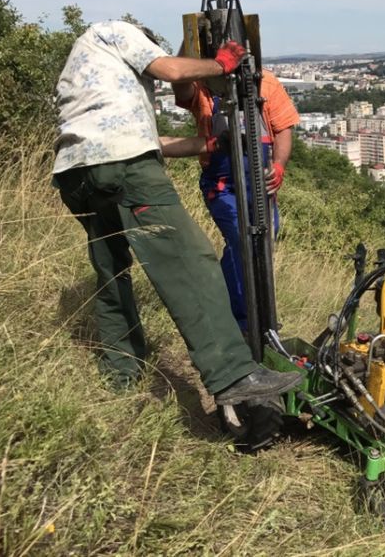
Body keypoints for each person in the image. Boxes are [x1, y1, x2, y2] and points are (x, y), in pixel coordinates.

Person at [51, 20, 301, 407]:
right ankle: (234, 373)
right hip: (125, 166)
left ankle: (121, 374)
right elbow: (173, 71)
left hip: (75, 172)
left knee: (111, 269)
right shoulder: (118, 30)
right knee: (192, 263)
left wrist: (212, 142)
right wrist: (221, 63)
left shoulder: (85, 64)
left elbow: (157, 140)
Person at [160, 65, 298, 333]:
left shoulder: (265, 83)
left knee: (265, 238)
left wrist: (279, 165)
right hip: (222, 185)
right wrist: (190, 48)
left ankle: (228, 302)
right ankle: (245, 322)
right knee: (240, 238)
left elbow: (283, 128)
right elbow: (181, 86)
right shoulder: (202, 85)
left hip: (260, 183)